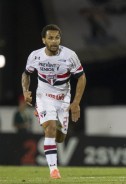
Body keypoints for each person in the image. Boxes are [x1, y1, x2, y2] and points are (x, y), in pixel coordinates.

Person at [21, 24, 86, 179]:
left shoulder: (70, 56)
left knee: (60, 137)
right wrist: (25, 91)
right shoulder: (35, 56)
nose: (54, 41)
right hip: (44, 96)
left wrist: (76, 103)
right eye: (50, 38)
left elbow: (82, 77)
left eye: (57, 37)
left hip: (63, 98)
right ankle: (54, 170)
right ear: (44, 40)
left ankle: (55, 124)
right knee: (49, 128)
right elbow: (26, 74)